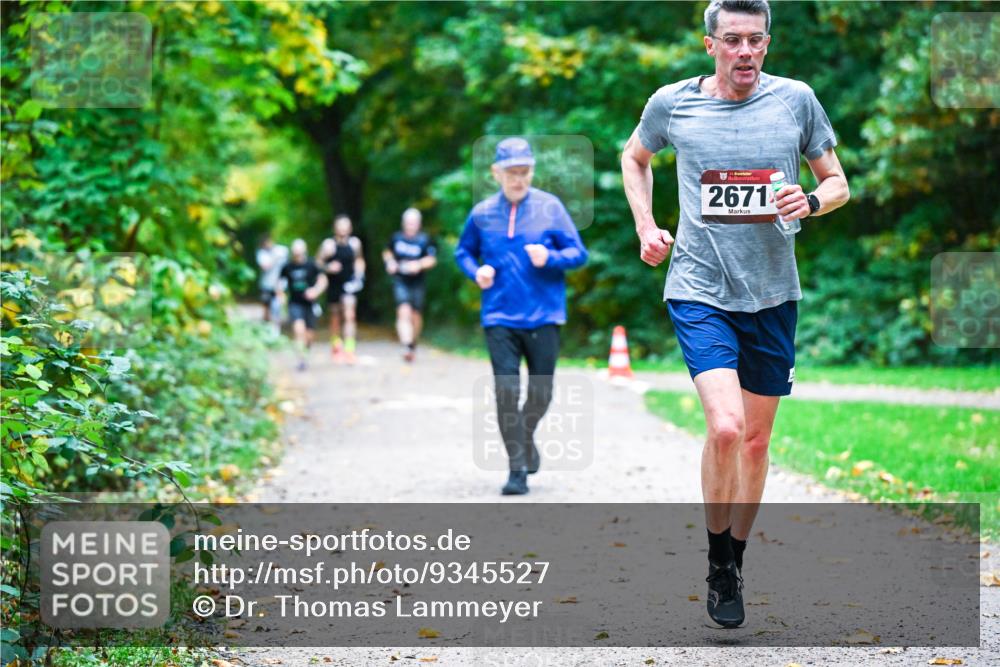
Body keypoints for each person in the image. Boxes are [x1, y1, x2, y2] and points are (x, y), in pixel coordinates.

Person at [621, 0, 850, 629]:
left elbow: (837, 182)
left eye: (756, 40)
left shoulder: (795, 100)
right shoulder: (673, 103)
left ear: (768, 45)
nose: (745, 51)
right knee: (724, 427)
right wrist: (646, 225)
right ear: (710, 44)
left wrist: (810, 200)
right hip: (698, 286)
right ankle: (718, 560)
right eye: (733, 40)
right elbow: (634, 158)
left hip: (774, 292)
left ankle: (737, 559)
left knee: (755, 439)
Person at [455, 137, 588, 496]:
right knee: (505, 392)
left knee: (541, 394)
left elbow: (579, 253)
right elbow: (462, 252)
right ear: (496, 173)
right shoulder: (482, 213)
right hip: (499, 316)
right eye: (512, 172)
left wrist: (551, 257)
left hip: (544, 315)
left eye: (525, 171)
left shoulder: (551, 208)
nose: (519, 179)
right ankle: (517, 470)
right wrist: (476, 271)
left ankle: (525, 436)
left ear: (532, 171)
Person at [383, 207, 437, 362]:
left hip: (418, 282)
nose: (410, 226)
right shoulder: (396, 238)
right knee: (403, 311)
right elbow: (387, 252)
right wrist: (390, 262)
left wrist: (418, 264)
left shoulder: (424, 240)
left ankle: (412, 343)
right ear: (403, 223)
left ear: (419, 224)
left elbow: (432, 259)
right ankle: (406, 345)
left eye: (413, 223)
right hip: (400, 280)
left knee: (416, 316)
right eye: (408, 222)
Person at [318, 215, 365, 364]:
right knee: (335, 316)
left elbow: (359, 260)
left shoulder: (355, 244)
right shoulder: (328, 245)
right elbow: (317, 263)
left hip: (349, 284)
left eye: (346, 226)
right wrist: (328, 267)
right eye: (340, 226)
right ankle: (336, 347)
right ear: (335, 228)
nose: (343, 229)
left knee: (350, 314)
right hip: (334, 284)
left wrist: (359, 275)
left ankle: (350, 349)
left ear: (350, 228)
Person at [277, 239, 328, 371]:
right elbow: (280, 283)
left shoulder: (312, 265)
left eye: (300, 253)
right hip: (295, 303)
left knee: (309, 335)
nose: (297, 256)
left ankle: (306, 352)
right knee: (298, 330)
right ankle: (301, 359)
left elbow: (323, 280)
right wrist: (281, 295)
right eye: (295, 254)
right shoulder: (287, 266)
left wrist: (315, 291)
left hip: (310, 304)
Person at [255, 234, 288, 330]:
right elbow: (265, 266)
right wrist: (275, 258)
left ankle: (277, 328)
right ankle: (266, 328)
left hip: (279, 285)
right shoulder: (262, 253)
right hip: (266, 285)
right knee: (266, 307)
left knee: (278, 307)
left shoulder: (282, 250)